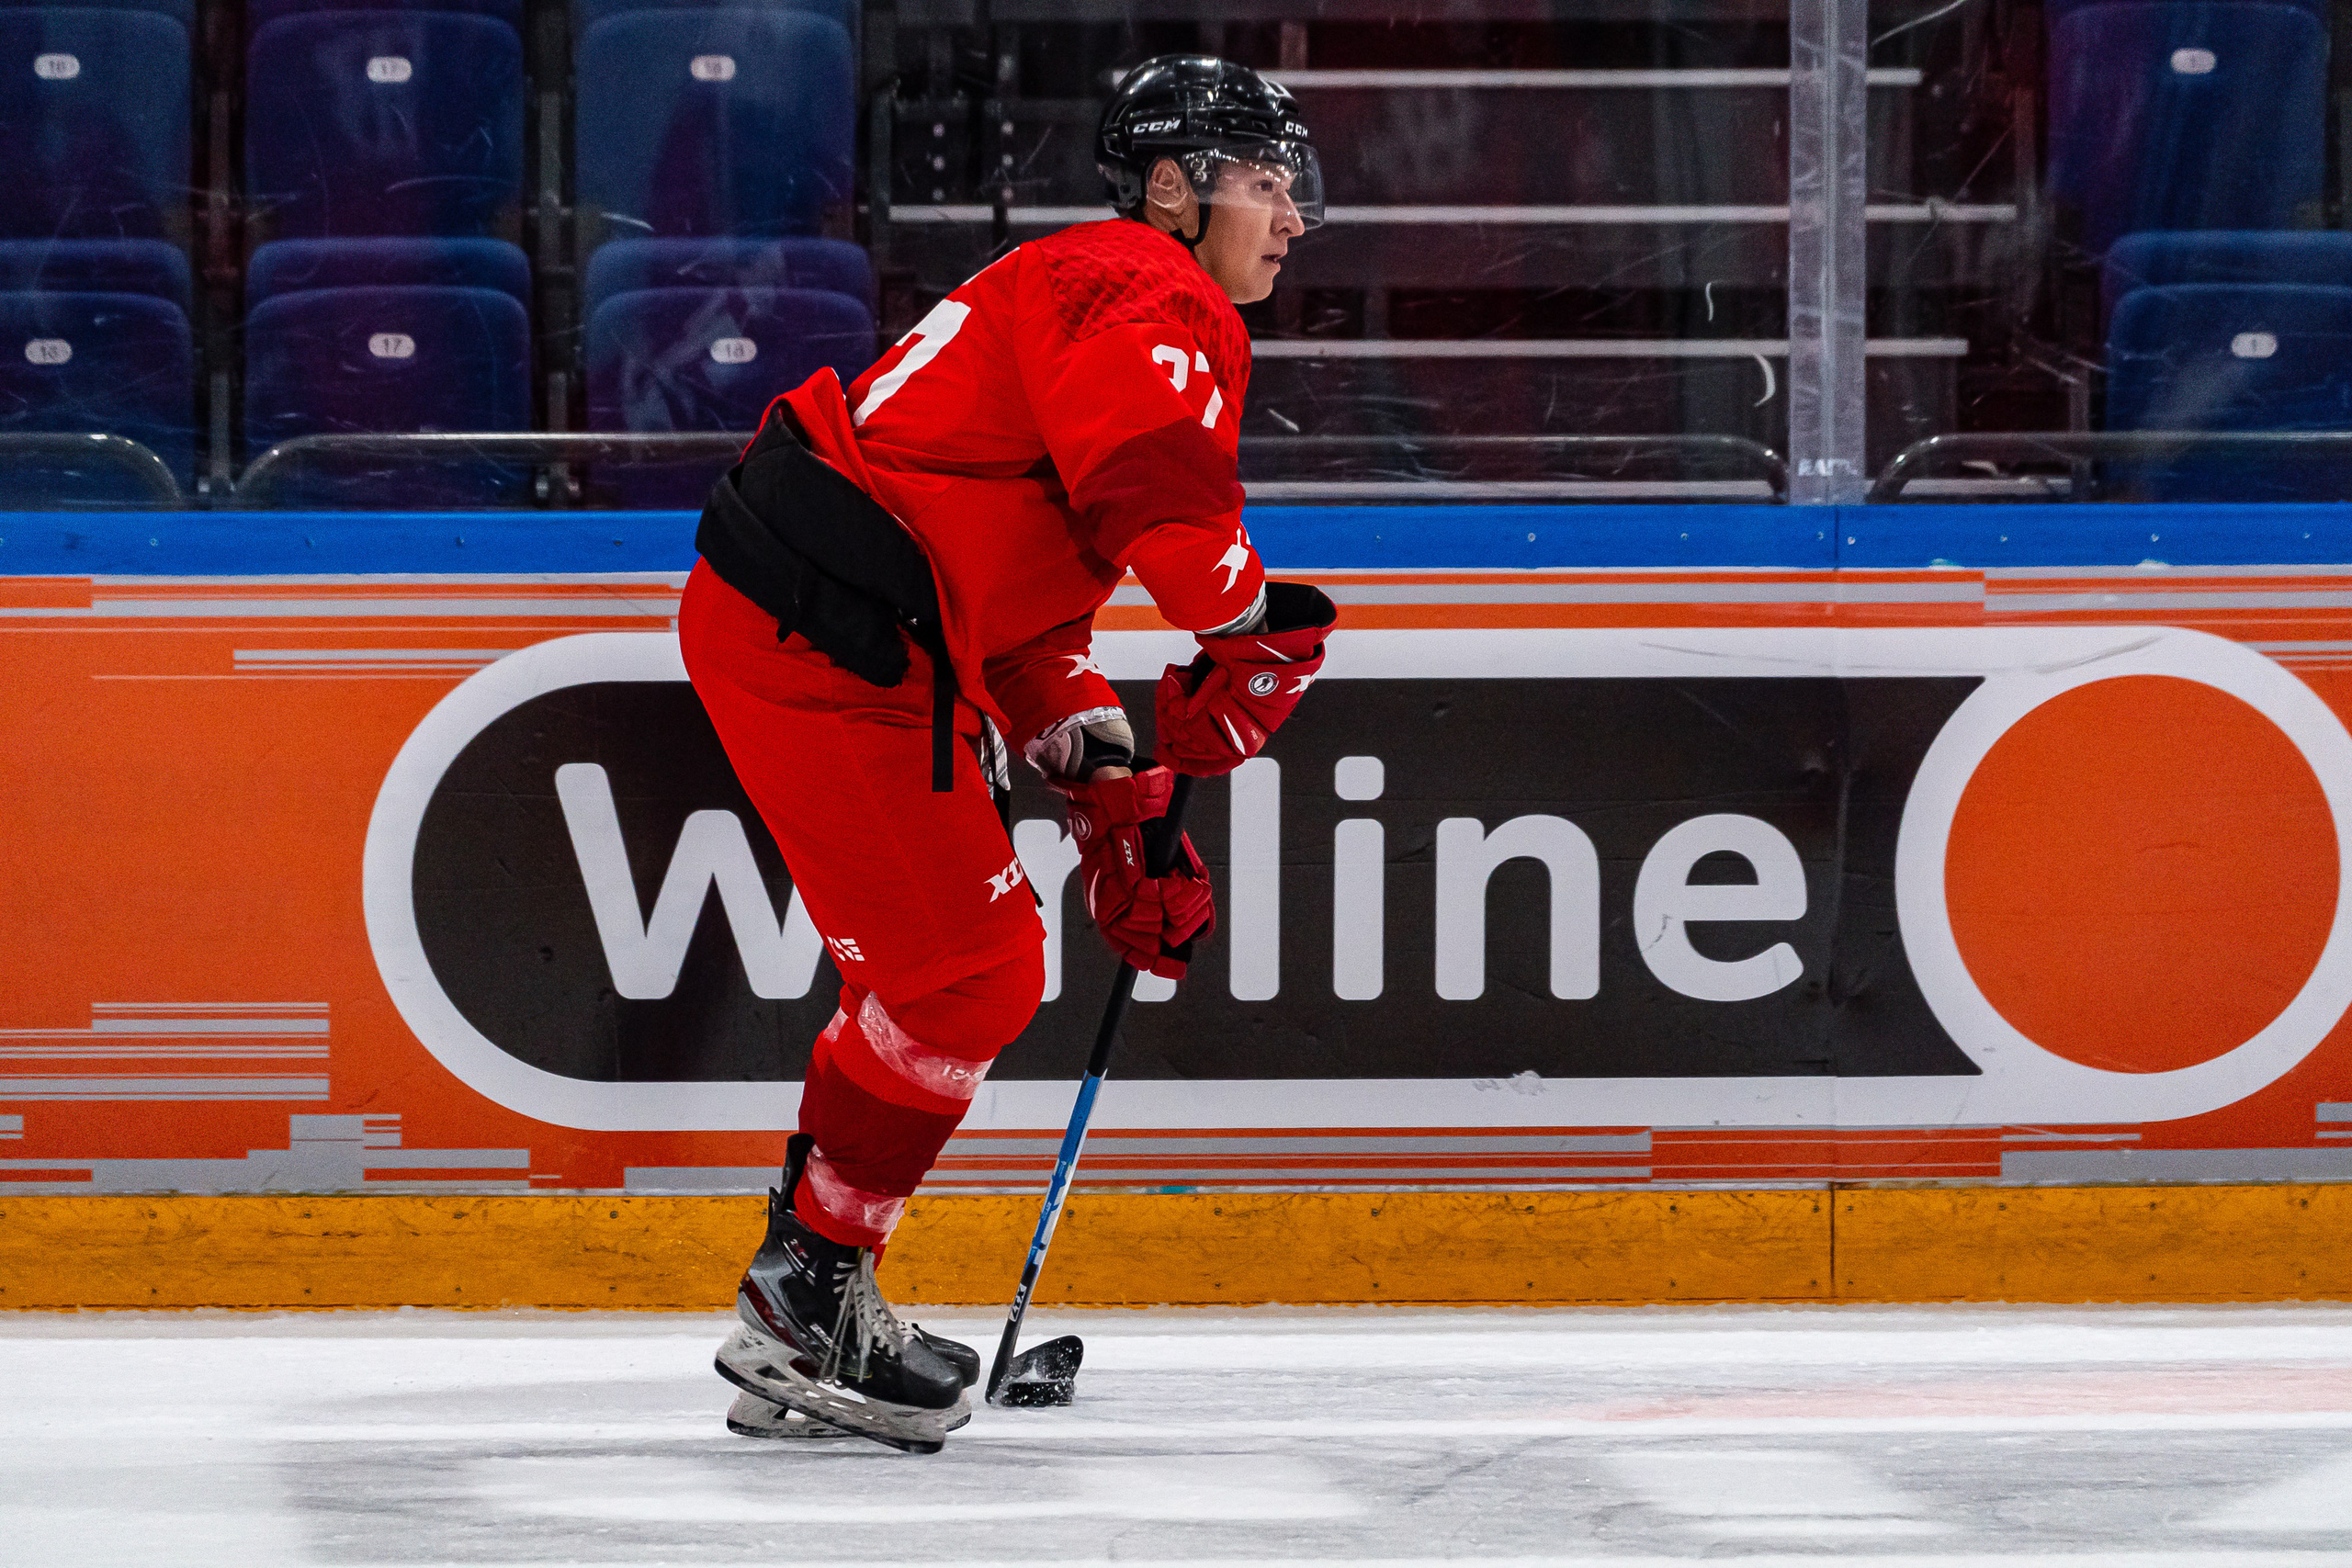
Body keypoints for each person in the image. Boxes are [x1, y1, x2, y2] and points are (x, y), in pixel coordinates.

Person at [678, 54, 1340, 1453]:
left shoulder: (1090, 300)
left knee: (957, 972)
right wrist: (1258, 628)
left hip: (847, 623)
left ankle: (813, 1288)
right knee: (968, 972)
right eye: (1265, 183)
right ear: (1173, 188)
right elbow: (1170, 519)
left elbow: (1032, 623)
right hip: (833, 631)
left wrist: (1118, 798)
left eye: (1296, 191)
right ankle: (808, 1298)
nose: (1292, 218)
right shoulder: (1139, 285)